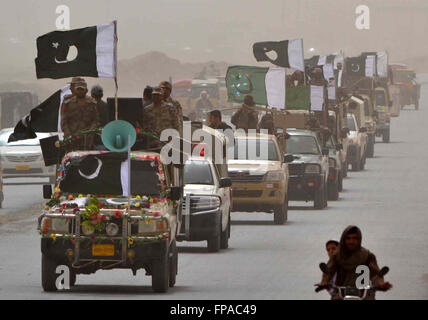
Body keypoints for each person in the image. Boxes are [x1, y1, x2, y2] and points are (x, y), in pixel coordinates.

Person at [317, 226, 392, 300]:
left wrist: (381, 283)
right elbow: (329, 272)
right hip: (341, 295)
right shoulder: (337, 256)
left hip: (364, 295)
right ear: (343, 239)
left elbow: (376, 274)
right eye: (348, 238)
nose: (351, 241)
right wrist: (324, 282)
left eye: (354, 238)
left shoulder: (367, 255)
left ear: (359, 239)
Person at [60, 79, 100, 152]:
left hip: (86, 141)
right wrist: (68, 134)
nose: (80, 91)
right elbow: (64, 121)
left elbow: (95, 120)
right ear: (75, 90)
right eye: (78, 89)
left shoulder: (92, 103)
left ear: (86, 90)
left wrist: (90, 132)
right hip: (71, 139)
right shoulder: (68, 104)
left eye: (82, 89)